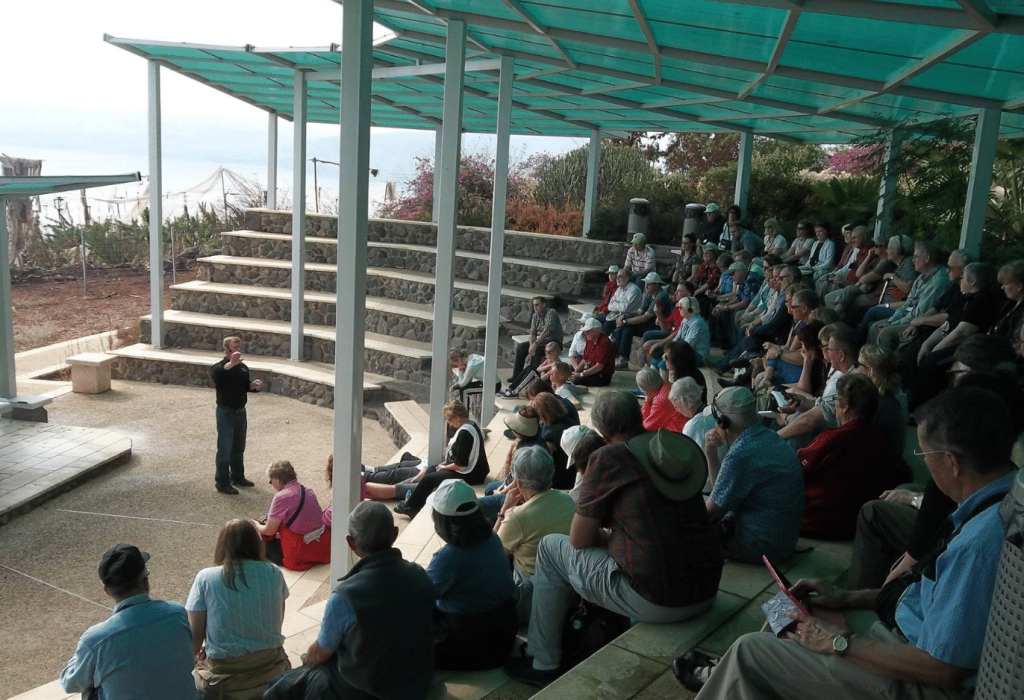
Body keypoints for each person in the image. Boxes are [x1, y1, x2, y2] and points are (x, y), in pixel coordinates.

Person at [677, 387, 1017, 700]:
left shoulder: (981, 542)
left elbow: (943, 668)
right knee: (788, 613)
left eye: (925, 452)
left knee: (750, 652)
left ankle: (734, 675)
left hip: (918, 678)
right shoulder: (995, 503)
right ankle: (735, 679)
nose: (923, 461)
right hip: (905, 636)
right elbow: (938, 605)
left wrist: (838, 642)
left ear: (952, 462)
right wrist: (846, 597)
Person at [505, 391, 724, 686]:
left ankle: (542, 662)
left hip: (662, 599)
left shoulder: (610, 457)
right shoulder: (671, 444)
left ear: (603, 431)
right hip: (708, 587)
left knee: (550, 548)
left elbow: (579, 540)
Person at [264, 502, 436, 700]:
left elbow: (320, 654)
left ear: (351, 544)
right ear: (395, 534)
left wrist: (306, 661)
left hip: (367, 690)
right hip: (414, 682)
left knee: (279, 687)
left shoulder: (346, 597)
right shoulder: (420, 575)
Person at [60, 544, 197, 700]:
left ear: (107, 591)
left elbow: (69, 683)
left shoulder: (95, 640)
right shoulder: (177, 613)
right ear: (146, 582)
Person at [187, 519, 291, 700]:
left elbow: (195, 638)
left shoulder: (206, 578)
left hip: (225, 678)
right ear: (256, 544)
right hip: (271, 667)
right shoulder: (274, 573)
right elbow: (277, 621)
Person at [703, 387, 804, 563]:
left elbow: (711, 514)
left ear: (723, 422)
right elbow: (720, 492)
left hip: (764, 548)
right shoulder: (768, 437)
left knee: (684, 532)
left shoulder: (742, 455)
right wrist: (710, 453)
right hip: (782, 542)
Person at [427, 479, 518, 670]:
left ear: (442, 521)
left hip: (472, 647)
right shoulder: (492, 538)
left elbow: (420, 596)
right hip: (504, 638)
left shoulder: (448, 558)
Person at [798, 374, 898, 540]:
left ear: (845, 407)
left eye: (837, 399)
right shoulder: (880, 439)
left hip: (819, 523)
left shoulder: (834, 439)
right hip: (857, 526)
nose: (835, 404)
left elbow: (796, 467)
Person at [494, 446, 576, 622]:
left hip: (532, 595)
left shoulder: (516, 517)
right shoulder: (568, 500)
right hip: (568, 587)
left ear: (518, 482)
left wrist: (504, 510)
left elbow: (491, 554)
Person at [392, 399, 489, 517]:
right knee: (431, 469)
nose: (448, 422)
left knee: (429, 479)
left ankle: (412, 507)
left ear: (458, 418)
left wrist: (444, 467)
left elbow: (461, 465)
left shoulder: (465, 433)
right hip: (475, 470)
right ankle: (415, 499)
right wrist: (442, 467)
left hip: (472, 475)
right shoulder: (471, 423)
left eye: (450, 419)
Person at [252, 460, 331, 571]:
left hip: (298, 549)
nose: (271, 484)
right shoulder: (307, 489)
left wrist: (256, 525)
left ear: (278, 480)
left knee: (257, 544)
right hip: (319, 545)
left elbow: (269, 531)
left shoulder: (281, 497)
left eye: (271, 481)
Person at [211, 336, 263, 495]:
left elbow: (244, 386)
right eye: (235, 347)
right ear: (226, 350)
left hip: (241, 411)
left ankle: (237, 476)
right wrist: (231, 363)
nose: (238, 350)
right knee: (225, 449)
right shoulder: (219, 368)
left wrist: (252, 386)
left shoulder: (243, 368)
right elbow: (218, 375)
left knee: (239, 447)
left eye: (239, 347)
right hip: (226, 412)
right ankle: (222, 482)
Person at [612, 272, 673, 369]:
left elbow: (645, 317)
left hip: (659, 324)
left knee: (628, 326)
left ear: (656, 285)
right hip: (650, 321)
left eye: (649, 284)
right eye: (645, 283)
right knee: (628, 328)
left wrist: (625, 321)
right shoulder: (649, 294)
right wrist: (624, 317)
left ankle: (616, 342)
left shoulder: (661, 296)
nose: (646, 286)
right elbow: (640, 311)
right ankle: (622, 357)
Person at [506, 296, 563, 397]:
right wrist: (531, 345)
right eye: (534, 305)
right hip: (540, 342)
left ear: (544, 304)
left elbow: (547, 331)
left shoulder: (551, 313)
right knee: (520, 347)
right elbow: (532, 333)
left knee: (537, 351)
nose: (535, 307)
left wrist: (535, 345)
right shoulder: (535, 315)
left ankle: (533, 376)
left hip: (554, 343)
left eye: (537, 305)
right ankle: (516, 376)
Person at [568, 318, 616, 387]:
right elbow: (585, 359)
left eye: (587, 331)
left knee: (576, 381)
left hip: (601, 376)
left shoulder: (605, 343)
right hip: (590, 370)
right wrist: (577, 371)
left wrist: (580, 375)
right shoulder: (590, 340)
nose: (585, 333)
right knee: (566, 369)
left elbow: (599, 367)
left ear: (596, 331)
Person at [637, 368, 687, 432]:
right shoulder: (669, 385)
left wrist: (647, 403)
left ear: (646, 390)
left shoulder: (660, 400)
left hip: (678, 434)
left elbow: (647, 426)